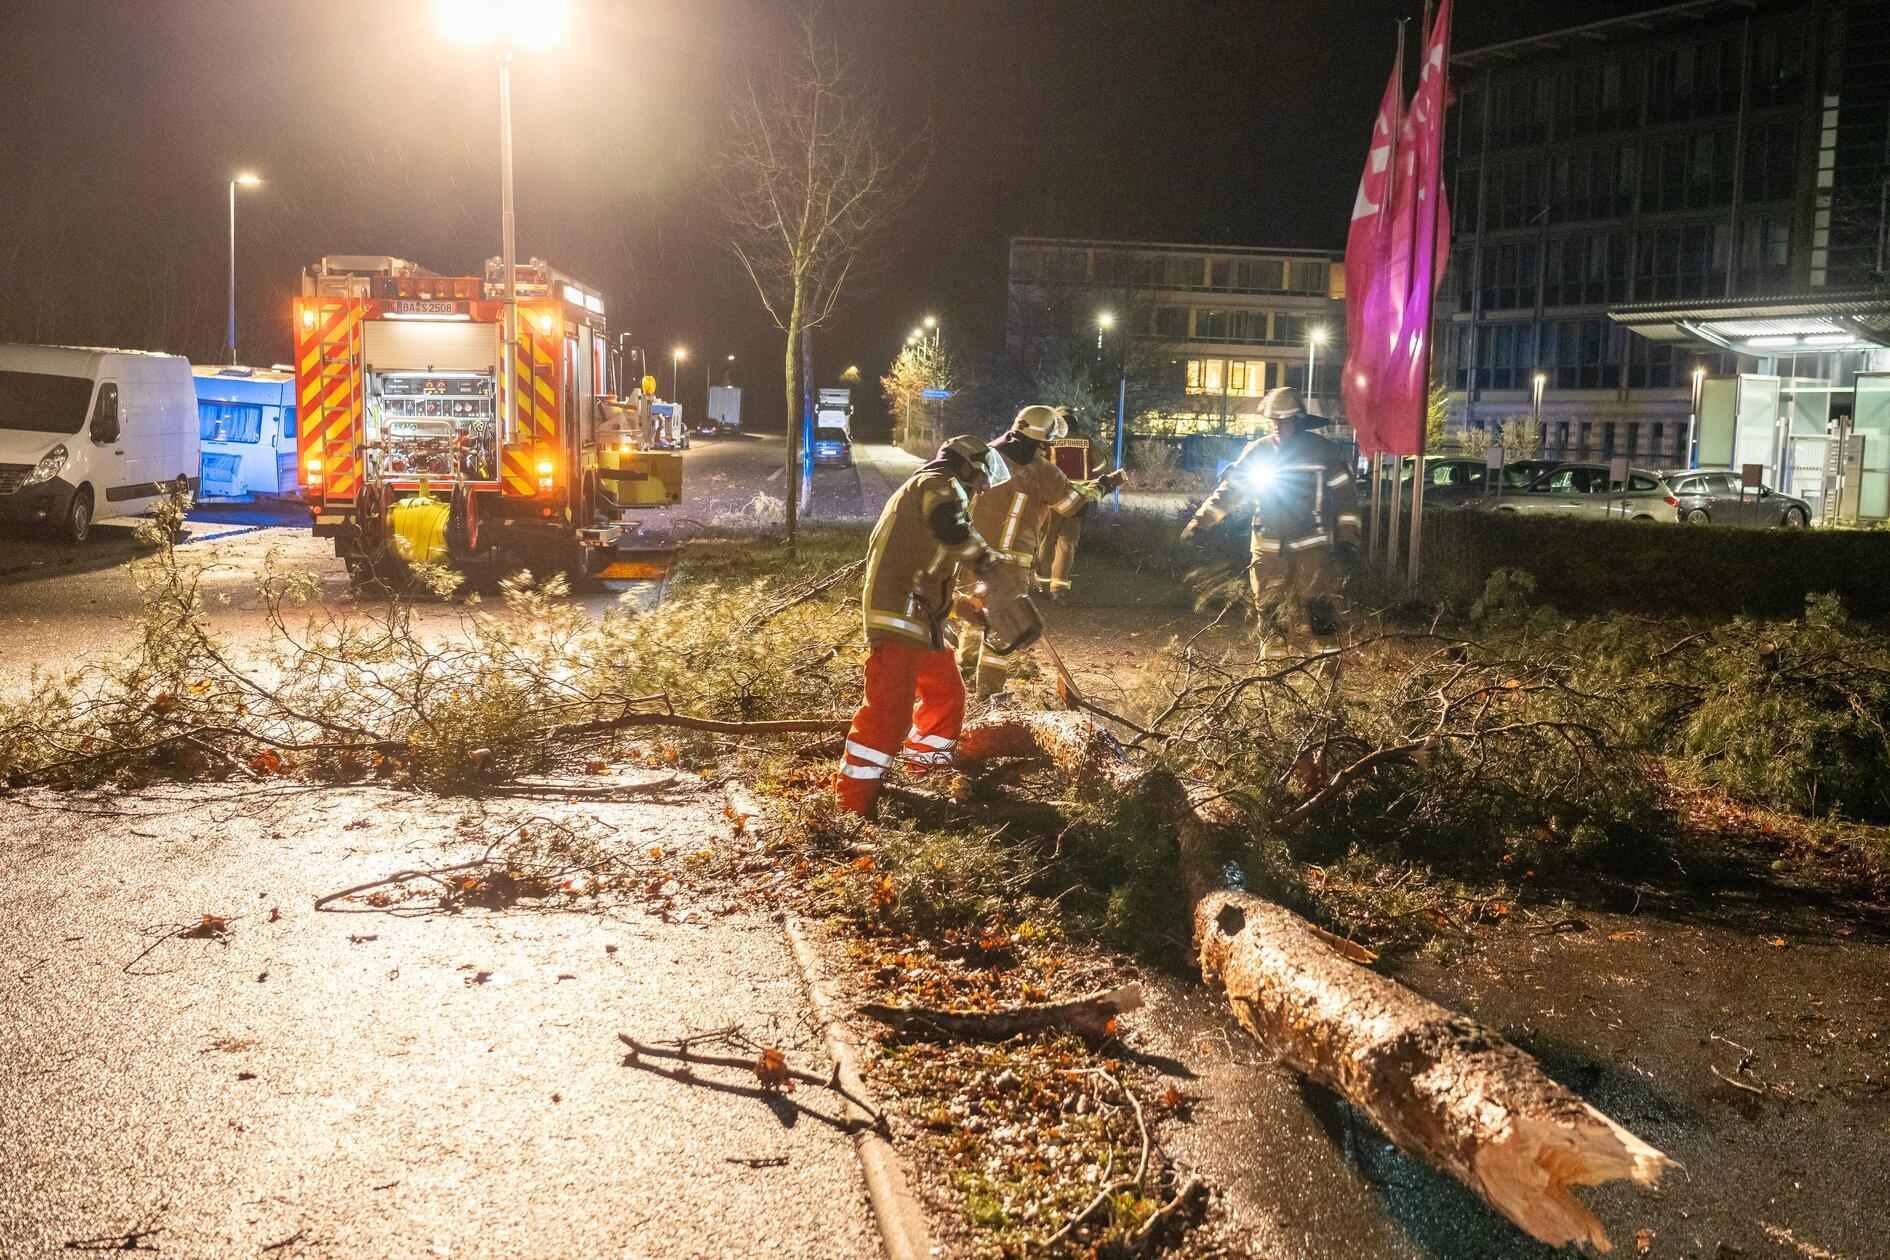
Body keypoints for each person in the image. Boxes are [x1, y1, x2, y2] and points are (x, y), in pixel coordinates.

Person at [834, 434, 1007, 816]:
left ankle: (926, 774)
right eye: (980, 475)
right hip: (898, 617)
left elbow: (928, 574)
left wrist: (962, 608)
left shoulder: (939, 498)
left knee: (947, 695)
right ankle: (853, 804)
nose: (983, 486)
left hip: (921, 621)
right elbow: (949, 526)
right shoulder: (935, 485)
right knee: (888, 714)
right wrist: (984, 559)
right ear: (965, 466)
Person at [955, 405, 1116, 697]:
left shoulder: (986, 456)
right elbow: (1070, 506)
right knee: (1003, 630)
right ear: (1044, 441)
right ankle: (989, 694)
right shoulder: (1042, 471)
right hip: (1010, 564)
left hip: (973, 555)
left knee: (976, 615)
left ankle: (961, 679)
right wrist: (1101, 487)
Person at [1181, 387, 1360, 643]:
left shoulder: (1324, 452)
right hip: (1268, 548)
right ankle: (1271, 666)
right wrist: (1200, 523)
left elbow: (1346, 500)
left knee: (1319, 611)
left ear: (1298, 419)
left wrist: (1348, 540)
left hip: (1313, 549)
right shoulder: (1257, 451)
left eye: (1284, 420)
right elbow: (1230, 491)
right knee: (1270, 612)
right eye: (1274, 420)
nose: (1277, 425)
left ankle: (1327, 666)